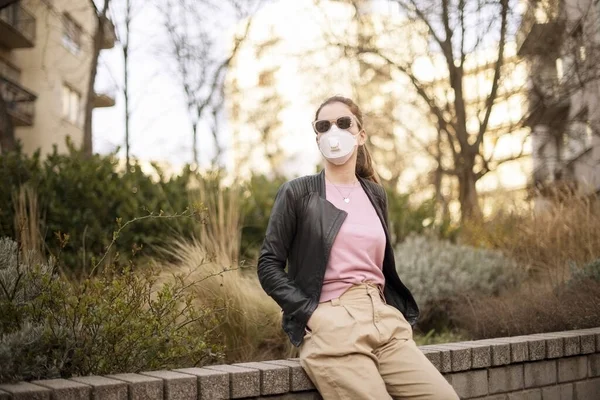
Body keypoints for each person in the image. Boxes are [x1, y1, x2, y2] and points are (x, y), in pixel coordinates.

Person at [257, 95, 459, 399]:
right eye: (323, 126)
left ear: (360, 135)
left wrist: (391, 312)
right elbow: (268, 265)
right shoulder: (298, 193)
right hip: (333, 321)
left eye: (343, 122)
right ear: (318, 138)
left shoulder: (376, 195)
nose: (333, 131)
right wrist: (312, 314)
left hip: (385, 321)